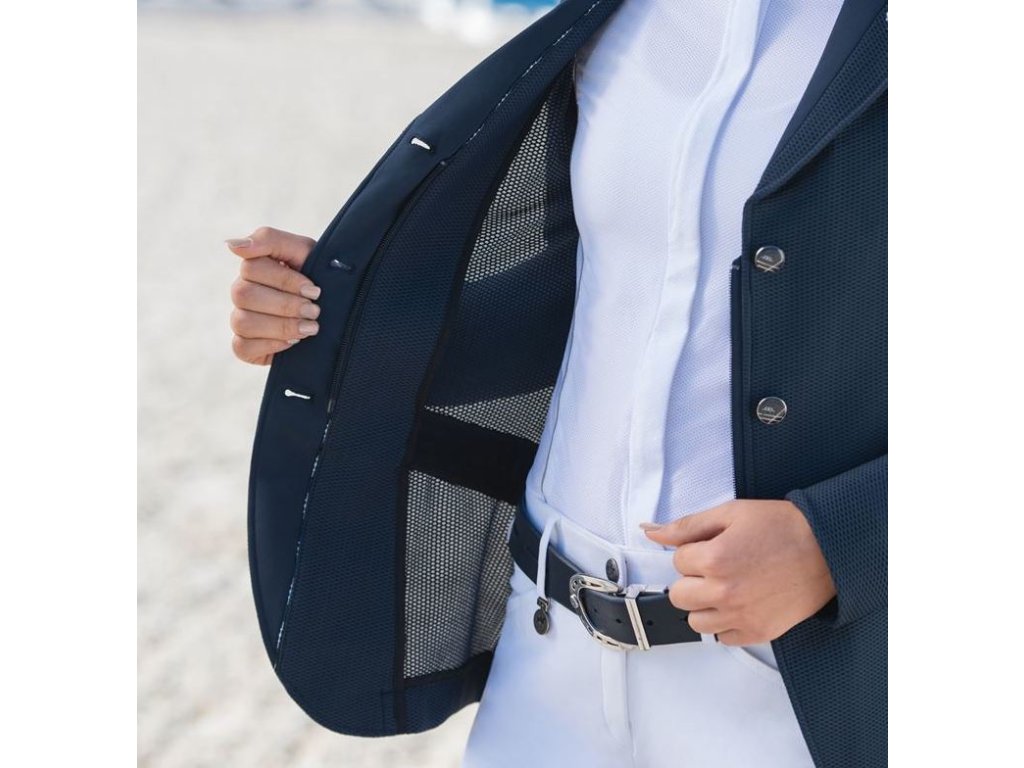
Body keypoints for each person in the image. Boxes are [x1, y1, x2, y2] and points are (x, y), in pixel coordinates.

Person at [227, 0, 886, 765]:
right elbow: (582, 303)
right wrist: (329, 315)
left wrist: (836, 545)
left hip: (787, 679)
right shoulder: (619, 20)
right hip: (547, 651)